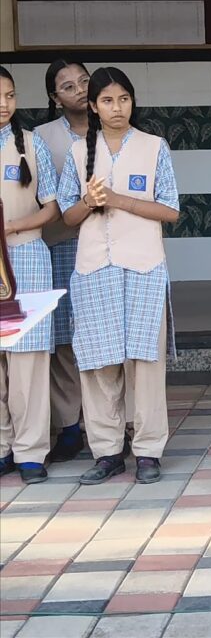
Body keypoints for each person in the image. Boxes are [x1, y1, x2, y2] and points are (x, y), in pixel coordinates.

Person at [58, 67, 179, 486]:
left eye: (123, 99)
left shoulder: (153, 146)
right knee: (99, 363)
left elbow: (171, 209)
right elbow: (67, 215)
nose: (117, 108)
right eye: (107, 101)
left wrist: (119, 199)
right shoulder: (78, 152)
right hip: (94, 268)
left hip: (144, 266)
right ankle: (108, 452)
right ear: (93, 106)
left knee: (145, 362)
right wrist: (89, 203)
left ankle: (148, 451)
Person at [0, 65, 59, 484]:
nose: (3, 104)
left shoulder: (32, 143)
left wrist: (12, 227)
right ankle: (2, 447)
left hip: (26, 257)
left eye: (9, 95)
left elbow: (51, 207)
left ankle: (31, 452)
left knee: (29, 360)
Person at [35, 59, 90, 462]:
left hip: (109, 245)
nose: (80, 90)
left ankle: (116, 424)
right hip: (61, 245)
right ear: (55, 98)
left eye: (84, 81)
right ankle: (69, 427)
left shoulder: (115, 127)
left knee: (104, 334)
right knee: (64, 340)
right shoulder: (42, 137)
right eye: (68, 86)